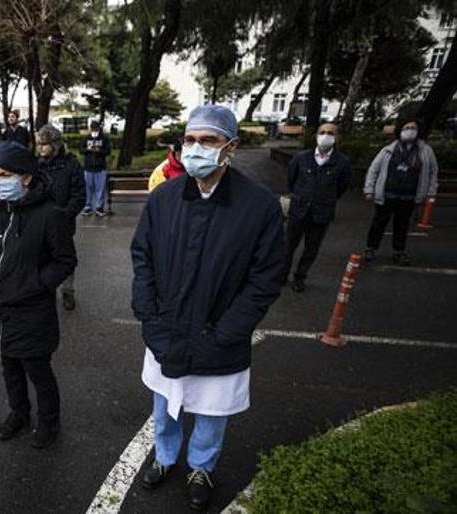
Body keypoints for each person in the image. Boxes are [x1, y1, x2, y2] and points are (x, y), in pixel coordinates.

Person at [131, 105, 284, 511]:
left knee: (212, 414)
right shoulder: (164, 197)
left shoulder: (259, 207)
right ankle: (165, 458)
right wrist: (150, 319)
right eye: (190, 140)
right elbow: (142, 257)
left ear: (230, 147)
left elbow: (265, 279)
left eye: (208, 140)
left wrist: (226, 332)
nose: (195, 148)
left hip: (219, 335)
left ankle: (201, 467)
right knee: (164, 405)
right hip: (166, 330)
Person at [0, 141, 77, 449]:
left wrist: (35, 284)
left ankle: (49, 423)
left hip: (31, 312)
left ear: (26, 178)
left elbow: (65, 261)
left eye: (5, 174)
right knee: (9, 366)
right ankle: (19, 413)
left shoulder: (50, 214)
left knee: (38, 372)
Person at [281, 123, 351, 292]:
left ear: (337, 137)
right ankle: (282, 275)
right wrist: (299, 196)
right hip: (298, 209)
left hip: (321, 213)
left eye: (330, 133)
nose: (326, 135)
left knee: (311, 248)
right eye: (322, 132)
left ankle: (300, 277)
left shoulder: (342, 162)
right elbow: (292, 180)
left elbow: (341, 187)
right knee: (288, 246)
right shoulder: (301, 158)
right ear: (316, 135)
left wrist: (324, 199)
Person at [363, 119, 439, 266]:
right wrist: (369, 189)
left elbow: (432, 172)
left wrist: (431, 193)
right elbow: (374, 169)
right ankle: (370, 248)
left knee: (402, 225)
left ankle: (399, 251)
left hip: (409, 195)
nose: (410, 130)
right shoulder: (388, 149)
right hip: (387, 194)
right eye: (406, 127)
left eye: (413, 128)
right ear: (400, 130)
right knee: (379, 222)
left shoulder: (425, 151)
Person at [36, 124, 85, 311]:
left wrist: (63, 216)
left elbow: (79, 196)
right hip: (40, 221)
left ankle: (67, 292)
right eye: (39, 143)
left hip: (63, 222)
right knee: (42, 257)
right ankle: (44, 290)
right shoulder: (37, 165)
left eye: (44, 144)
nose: (40, 147)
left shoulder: (71, 164)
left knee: (65, 258)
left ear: (55, 145)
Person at [80, 120, 112, 216]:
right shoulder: (86, 138)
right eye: (92, 128)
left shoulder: (104, 139)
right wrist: (87, 150)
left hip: (100, 167)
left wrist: (99, 151)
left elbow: (108, 151)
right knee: (87, 188)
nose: (94, 130)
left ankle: (99, 207)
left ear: (98, 128)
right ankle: (87, 207)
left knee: (100, 189)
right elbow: (81, 150)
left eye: (95, 128)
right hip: (88, 167)